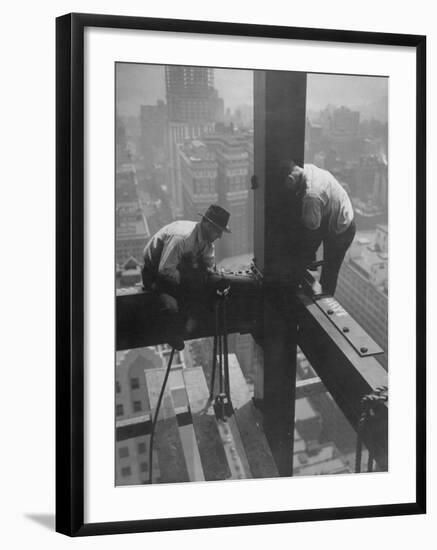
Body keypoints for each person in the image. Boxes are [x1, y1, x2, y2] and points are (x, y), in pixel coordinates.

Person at [142, 204, 231, 349]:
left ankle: (187, 323)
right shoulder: (182, 238)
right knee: (175, 304)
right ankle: (172, 332)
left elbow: (209, 267)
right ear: (207, 225)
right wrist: (192, 280)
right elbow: (165, 270)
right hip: (155, 273)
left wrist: (215, 277)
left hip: (177, 270)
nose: (220, 236)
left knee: (203, 289)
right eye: (218, 231)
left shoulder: (207, 243)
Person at [285, 161, 356, 295]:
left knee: (330, 270)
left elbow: (311, 230)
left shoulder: (311, 196)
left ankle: (325, 301)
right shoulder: (307, 169)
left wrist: (304, 257)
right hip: (334, 216)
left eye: (288, 188)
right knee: (311, 257)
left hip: (341, 229)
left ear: (290, 179)